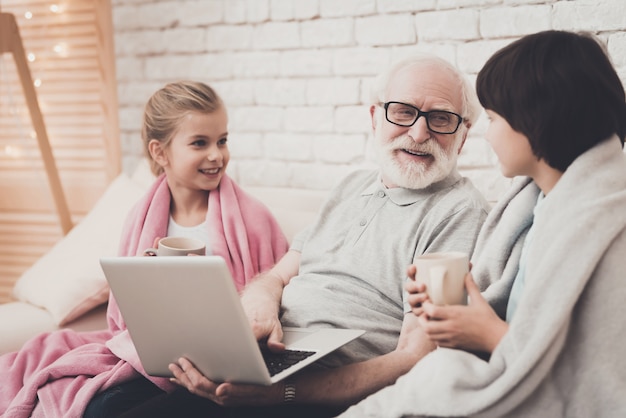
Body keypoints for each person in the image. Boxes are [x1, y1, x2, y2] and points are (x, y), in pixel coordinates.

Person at [114, 53, 492, 417]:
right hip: (273, 358)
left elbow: (414, 356)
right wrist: (261, 301)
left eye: (441, 118)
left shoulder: (460, 210)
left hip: (320, 392)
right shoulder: (350, 187)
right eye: (404, 112)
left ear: (463, 135)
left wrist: (280, 394)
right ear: (376, 117)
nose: (419, 131)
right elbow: (278, 274)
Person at [338, 30, 626, 417]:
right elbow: (530, 324)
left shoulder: (603, 223)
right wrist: (464, 311)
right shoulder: (538, 206)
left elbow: (596, 380)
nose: (486, 135)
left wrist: (485, 332)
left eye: (492, 118)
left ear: (533, 119)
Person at [0, 81, 289, 418]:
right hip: (158, 357)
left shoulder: (253, 218)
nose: (216, 154)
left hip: (222, 364)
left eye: (222, 141)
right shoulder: (141, 216)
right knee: (98, 408)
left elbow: (276, 301)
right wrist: (149, 281)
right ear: (159, 152)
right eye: (200, 143)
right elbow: (123, 319)